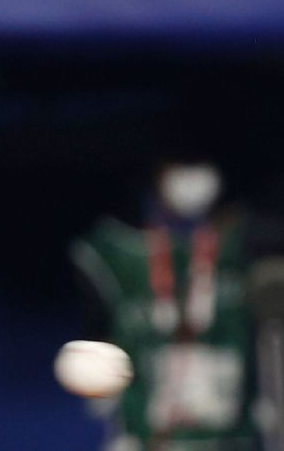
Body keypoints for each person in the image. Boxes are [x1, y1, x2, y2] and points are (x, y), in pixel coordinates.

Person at [71, 158, 259, 451]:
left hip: (233, 436)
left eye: (199, 161)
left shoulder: (247, 246)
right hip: (146, 438)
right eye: (180, 163)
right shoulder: (118, 253)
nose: (191, 177)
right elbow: (99, 329)